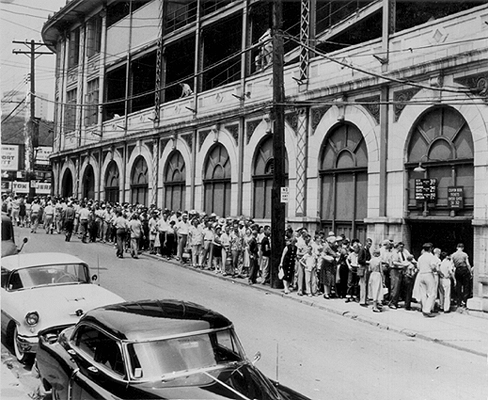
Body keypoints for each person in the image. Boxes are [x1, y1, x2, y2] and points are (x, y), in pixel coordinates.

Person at [416, 243, 439, 317]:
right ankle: (427, 310)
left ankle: (424, 309)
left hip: (421, 274)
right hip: (428, 274)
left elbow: (418, 267)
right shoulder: (431, 256)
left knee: (423, 293)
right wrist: (435, 270)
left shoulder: (420, 257)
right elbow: (433, 266)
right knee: (432, 293)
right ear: (430, 249)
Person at [451, 243, 472, 308]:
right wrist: (470, 272)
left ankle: (458, 301)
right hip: (464, 269)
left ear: (457, 247)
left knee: (458, 285)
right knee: (466, 285)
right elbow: (468, 264)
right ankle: (464, 300)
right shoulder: (464, 254)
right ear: (462, 248)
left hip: (458, 270)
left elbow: (452, 265)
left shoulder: (453, 255)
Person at [357, 238, 372, 307]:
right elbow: (359, 260)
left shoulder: (367, 250)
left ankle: (365, 299)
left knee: (366, 284)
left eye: (370, 244)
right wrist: (366, 261)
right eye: (369, 243)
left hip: (367, 268)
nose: (370, 245)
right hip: (363, 268)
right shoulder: (362, 250)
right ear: (366, 243)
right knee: (363, 285)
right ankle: (362, 301)